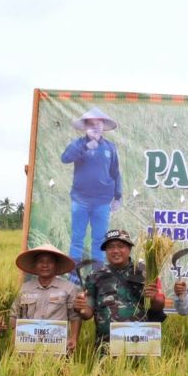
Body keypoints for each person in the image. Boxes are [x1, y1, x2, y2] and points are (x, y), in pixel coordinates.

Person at [73, 230, 166, 351]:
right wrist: (80, 307)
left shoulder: (146, 272)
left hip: (140, 344)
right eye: (110, 247)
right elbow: (88, 313)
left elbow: (158, 306)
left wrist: (154, 298)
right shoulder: (95, 276)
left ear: (129, 249)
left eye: (120, 246)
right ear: (106, 251)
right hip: (106, 347)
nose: (115, 251)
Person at [61, 107, 122, 264]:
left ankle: (98, 276)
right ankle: (74, 276)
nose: (95, 127)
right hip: (80, 200)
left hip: (102, 202)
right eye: (91, 124)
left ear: (103, 126)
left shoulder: (110, 147)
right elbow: (65, 158)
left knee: (99, 239)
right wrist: (86, 147)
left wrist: (118, 197)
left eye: (98, 123)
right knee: (77, 238)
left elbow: (115, 173)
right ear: (86, 126)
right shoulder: (78, 144)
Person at [11, 243, 81, 353]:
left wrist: (74, 338)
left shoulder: (69, 288)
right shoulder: (24, 289)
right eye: (40, 262)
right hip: (29, 347)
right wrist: (10, 328)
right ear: (35, 265)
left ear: (56, 265)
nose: (45, 265)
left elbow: (75, 316)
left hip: (58, 348)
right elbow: (15, 315)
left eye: (50, 262)